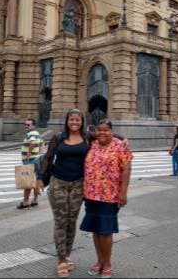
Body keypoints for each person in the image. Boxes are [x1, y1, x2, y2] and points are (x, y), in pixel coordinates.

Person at [37, 111, 127, 278]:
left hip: (79, 185)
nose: (74, 122)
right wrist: (41, 178)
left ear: (82, 121)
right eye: (71, 119)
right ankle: (61, 260)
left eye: (77, 120)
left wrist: (122, 139)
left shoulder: (88, 137)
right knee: (60, 222)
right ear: (67, 121)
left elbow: (105, 133)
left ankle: (67, 255)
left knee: (71, 221)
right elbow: (48, 158)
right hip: (59, 183)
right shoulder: (58, 137)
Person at [80, 119, 133, 279]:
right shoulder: (92, 143)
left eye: (106, 130)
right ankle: (99, 261)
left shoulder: (119, 146)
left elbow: (126, 170)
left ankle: (108, 263)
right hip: (91, 195)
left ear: (112, 131)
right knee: (96, 230)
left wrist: (123, 193)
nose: (102, 133)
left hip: (110, 196)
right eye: (99, 130)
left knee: (106, 231)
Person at [18, 118, 43, 209]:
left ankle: (25, 202)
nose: (26, 126)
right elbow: (42, 143)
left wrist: (29, 153)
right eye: (25, 124)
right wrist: (38, 152)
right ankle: (35, 200)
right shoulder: (37, 134)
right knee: (35, 181)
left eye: (28, 125)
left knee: (27, 181)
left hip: (30, 160)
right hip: (36, 159)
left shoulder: (31, 134)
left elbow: (32, 143)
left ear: (33, 126)